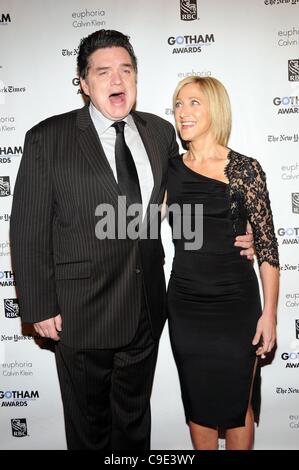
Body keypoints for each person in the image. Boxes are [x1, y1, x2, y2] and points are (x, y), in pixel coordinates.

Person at [10, 30, 254, 451]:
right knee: (90, 432)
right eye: (102, 72)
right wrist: (38, 307)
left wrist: (240, 230)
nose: (116, 80)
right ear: (84, 84)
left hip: (145, 310)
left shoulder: (160, 134)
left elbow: (187, 196)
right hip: (79, 314)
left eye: (125, 70)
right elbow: (27, 228)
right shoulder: (47, 138)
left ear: (136, 79)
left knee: (134, 426)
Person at [166, 76, 279, 450]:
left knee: (237, 404)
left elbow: (267, 247)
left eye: (194, 103)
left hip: (237, 306)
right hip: (186, 306)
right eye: (179, 104)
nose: (183, 112)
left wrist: (270, 314)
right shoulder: (168, 170)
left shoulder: (245, 169)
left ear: (216, 108)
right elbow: (137, 222)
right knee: (197, 404)